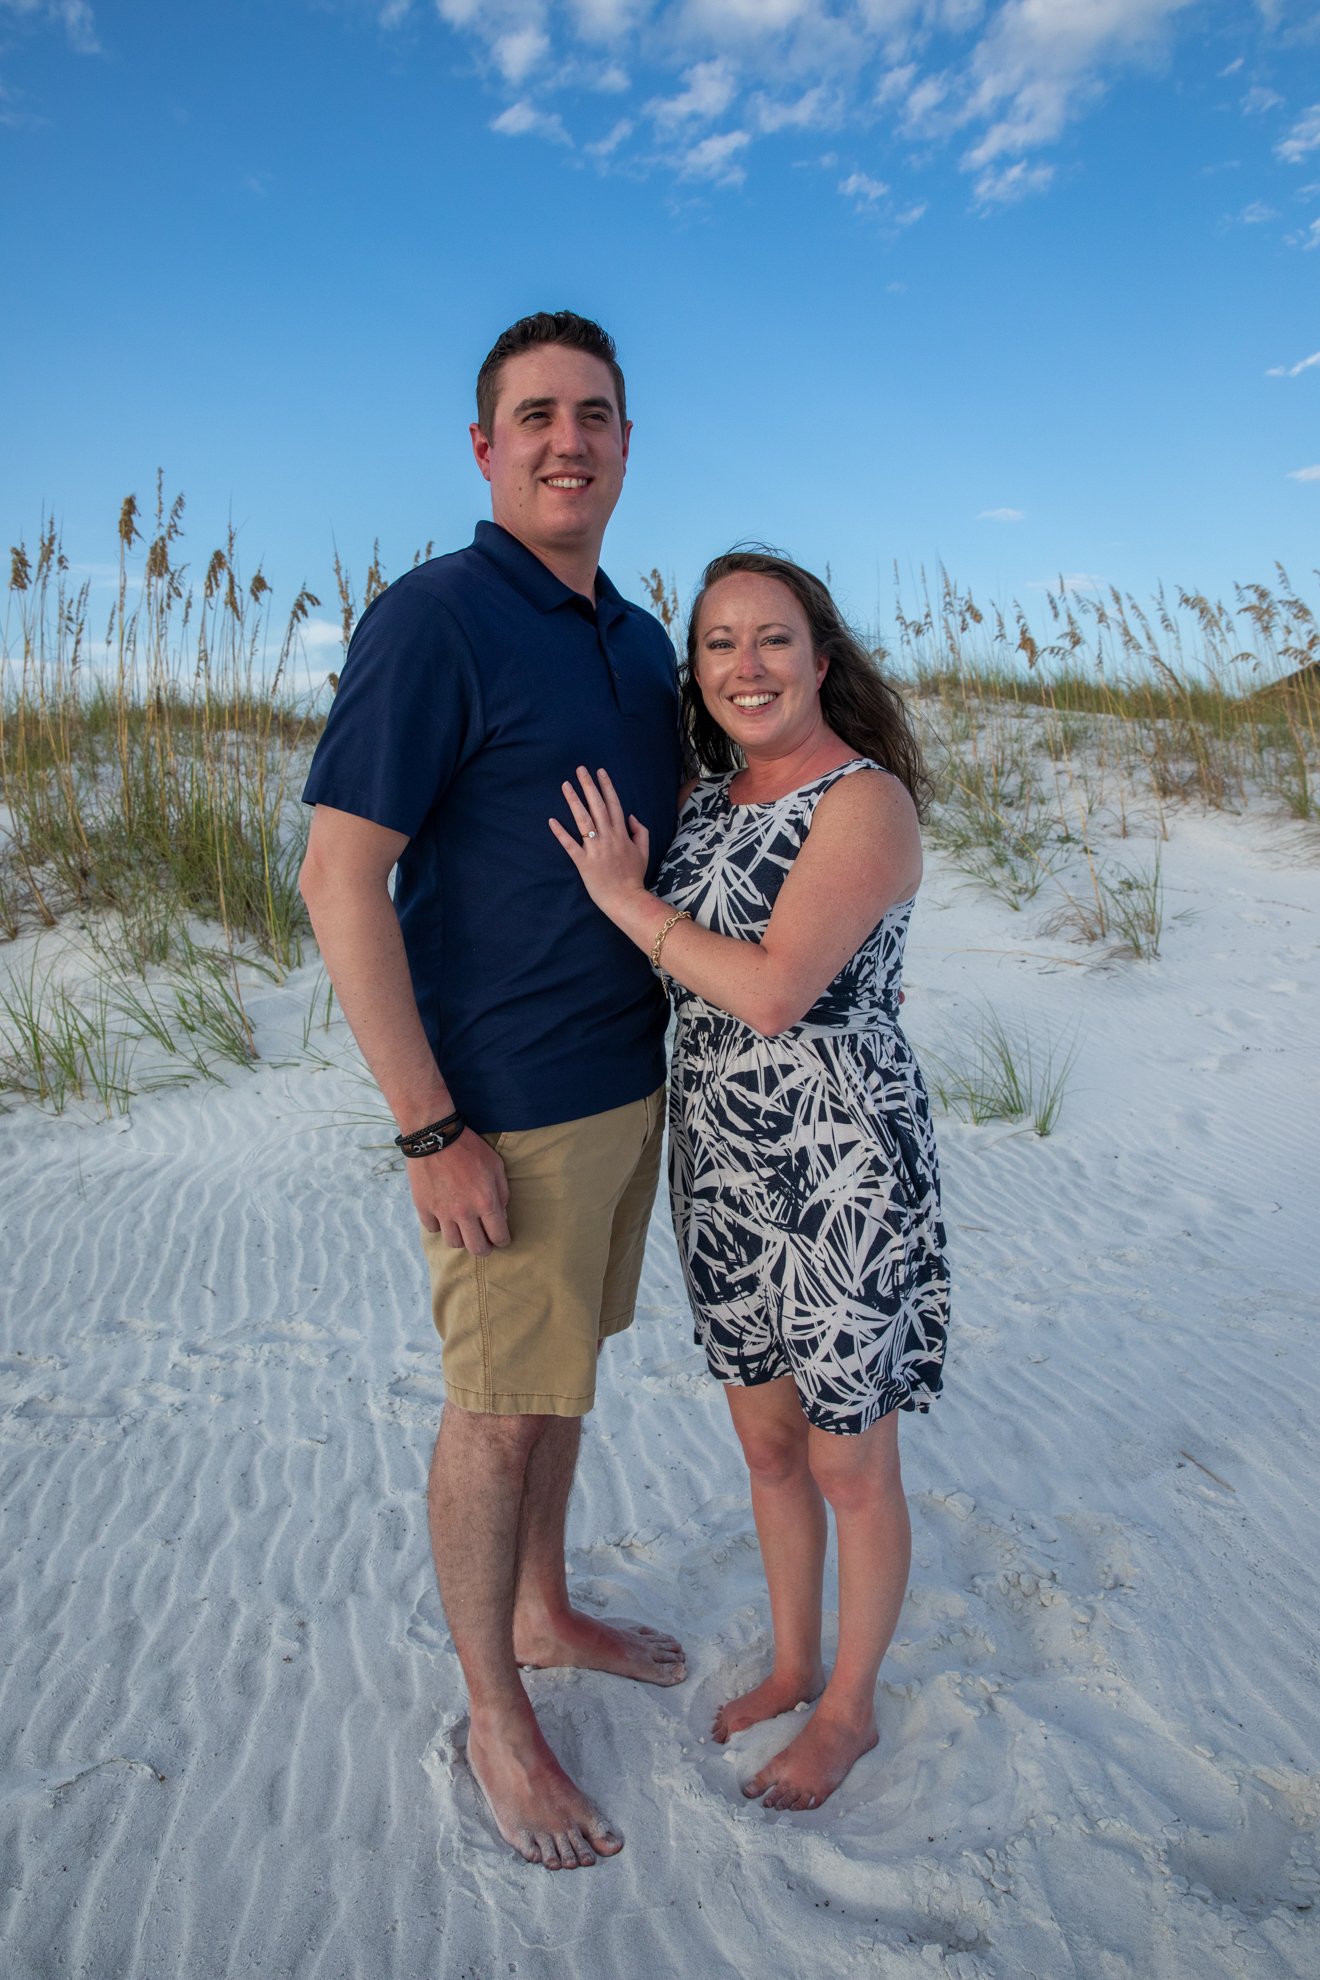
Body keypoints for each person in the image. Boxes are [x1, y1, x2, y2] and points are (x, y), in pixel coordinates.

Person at [298, 312, 686, 1873]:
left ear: (626, 441)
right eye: (534, 416)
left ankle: (543, 1608)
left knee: (560, 1385)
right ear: (484, 446)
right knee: (494, 1414)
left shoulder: (644, 637)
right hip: (502, 1107)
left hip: (623, 1087)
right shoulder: (436, 617)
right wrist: (430, 1125)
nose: (566, 440)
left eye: (594, 412)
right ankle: (492, 1711)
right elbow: (340, 879)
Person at [550, 548, 949, 1812]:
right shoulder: (709, 804)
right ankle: (790, 1661)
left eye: (772, 639)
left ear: (822, 658)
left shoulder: (863, 802)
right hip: (720, 1157)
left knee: (848, 1460)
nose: (746, 666)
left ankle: (850, 1708)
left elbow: (776, 991)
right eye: (719, 644)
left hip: (839, 1157)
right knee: (769, 1445)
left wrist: (622, 898)